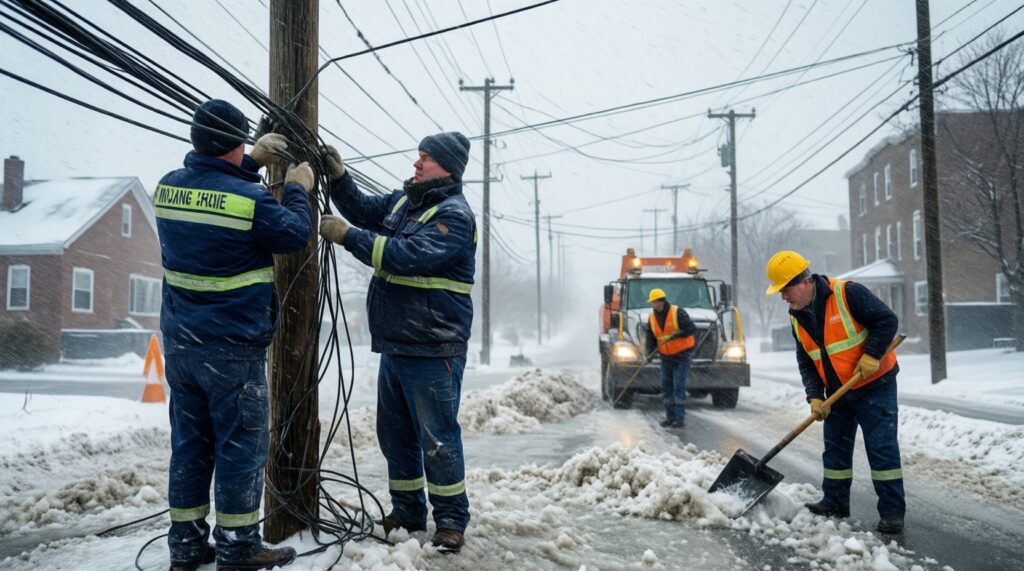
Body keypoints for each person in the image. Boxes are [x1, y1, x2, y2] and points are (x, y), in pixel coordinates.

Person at [156, 99, 314, 571]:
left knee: (190, 447)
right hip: (232, 350)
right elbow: (293, 234)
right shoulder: (252, 201)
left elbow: (212, 190)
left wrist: (249, 163)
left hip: (183, 347)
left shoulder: (168, 188)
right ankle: (240, 547)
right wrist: (298, 187)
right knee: (240, 448)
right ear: (237, 142)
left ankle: (185, 546)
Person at [317, 132, 476, 554]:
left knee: (437, 439)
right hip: (398, 344)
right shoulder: (407, 202)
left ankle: (451, 521)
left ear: (447, 166)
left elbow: (407, 255)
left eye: (425, 158)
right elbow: (365, 209)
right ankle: (407, 512)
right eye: (418, 156)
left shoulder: (454, 216)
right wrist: (338, 179)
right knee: (396, 435)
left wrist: (348, 237)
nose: (416, 164)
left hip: (434, 347)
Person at [764, 250, 905, 535]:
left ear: (804, 281)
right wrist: (814, 396)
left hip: (875, 384)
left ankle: (892, 512)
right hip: (837, 391)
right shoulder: (796, 317)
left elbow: (887, 321)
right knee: (836, 449)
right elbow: (806, 359)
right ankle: (836, 502)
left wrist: (872, 353)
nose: (783, 297)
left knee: (881, 448)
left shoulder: (847, 294)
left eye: (785, 290)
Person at [643, 288, 697, 428]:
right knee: (666, 388)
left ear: (660, 301)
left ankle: (679, 419)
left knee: (678, 387)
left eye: (653, 302)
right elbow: (650, 337)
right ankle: (670, 417)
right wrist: (649, 352)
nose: (652, 305)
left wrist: (679, 333)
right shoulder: (652, 317)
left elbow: (691, 329)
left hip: (681, 355)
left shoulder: (677, 312)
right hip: (665, 357)